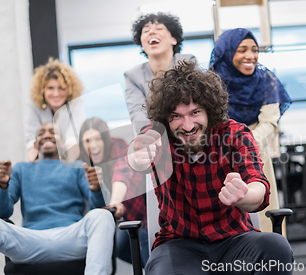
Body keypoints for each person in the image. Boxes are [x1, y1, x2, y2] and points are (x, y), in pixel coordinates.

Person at [126, 61, 293, 274]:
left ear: (209, 109)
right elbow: (137, 151)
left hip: (234, 240)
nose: (187, 126)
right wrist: (138, 157)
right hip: (179, 245)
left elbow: (258, 185)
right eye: (176, 116)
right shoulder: (158, 137)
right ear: (165, 118)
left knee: (275, 247)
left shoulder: (235, 135)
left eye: (195, 112)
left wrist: (244, 195)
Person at [0, 122, 114, 275]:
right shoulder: (21, 169)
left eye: (52, 131)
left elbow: (99, 206)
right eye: (41, 133)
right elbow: (1, 212)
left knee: (103, 216)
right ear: (35, 144)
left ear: (63, 142)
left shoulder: (76, 167)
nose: (46, 135)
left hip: (70, 238)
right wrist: (3, 185)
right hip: (31, 241)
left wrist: (97, 188)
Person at [210, 28, 292, 232]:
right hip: (219, 154)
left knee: (262, 219)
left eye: (255, 50)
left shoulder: (266, 80)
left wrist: (244, 143)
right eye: (242, 50)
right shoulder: (211, 83)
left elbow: (270, 123)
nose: (251, 56)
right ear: (227, 52)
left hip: (256, 151)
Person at [78, 117, 149, 267]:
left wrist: (116, 201)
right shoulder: (86, 165)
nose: (93, 145)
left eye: (98, 139)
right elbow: (97, 206)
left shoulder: (118, 146)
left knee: (148, 254)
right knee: (120, 248)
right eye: (88, 141)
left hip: (145, 216)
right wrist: (96, 188)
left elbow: (122, 172)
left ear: (105, 140)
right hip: (127, 220)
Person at [125, 12, 196, 129]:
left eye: (159, 28)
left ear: (173, 39)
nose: (152, 32)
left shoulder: (187, 62)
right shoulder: (133, 76)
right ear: (142, 44)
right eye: (146, 31)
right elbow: (137, 112)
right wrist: (149, 135)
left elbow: (192, 103)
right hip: (155, 135)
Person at [26, 58, 85, 161]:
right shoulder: (33, 105)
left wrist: (69, 168)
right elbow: (32, 141)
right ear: (42, 89)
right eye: (50, 88)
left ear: (69, 89)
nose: (56, 94)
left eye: (61, 88)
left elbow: (72, 139)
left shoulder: (76, 104)